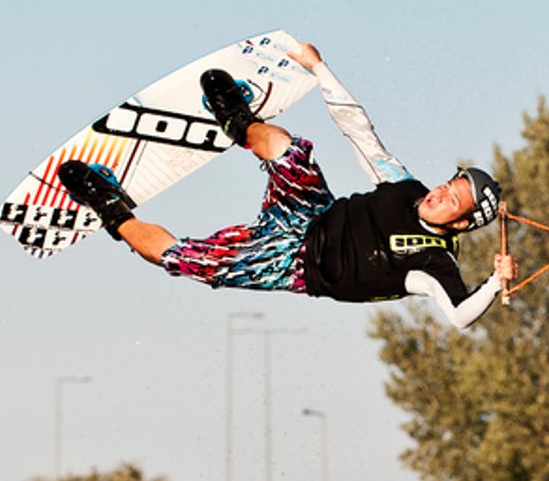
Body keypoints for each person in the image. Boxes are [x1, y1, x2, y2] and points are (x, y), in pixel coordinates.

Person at [58, 40, 516, 329]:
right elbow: (360, 131)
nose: (439, 193)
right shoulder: (404, 187)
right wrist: (319, 69)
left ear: (461, 222)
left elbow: (458, 318)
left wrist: (496, 282)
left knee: (180, 259)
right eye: (447, 184)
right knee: (291, 151)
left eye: (452, 199)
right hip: (312, 211)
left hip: (292, 265)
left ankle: (111, 207)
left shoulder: (435, 264)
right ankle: (238, 120)